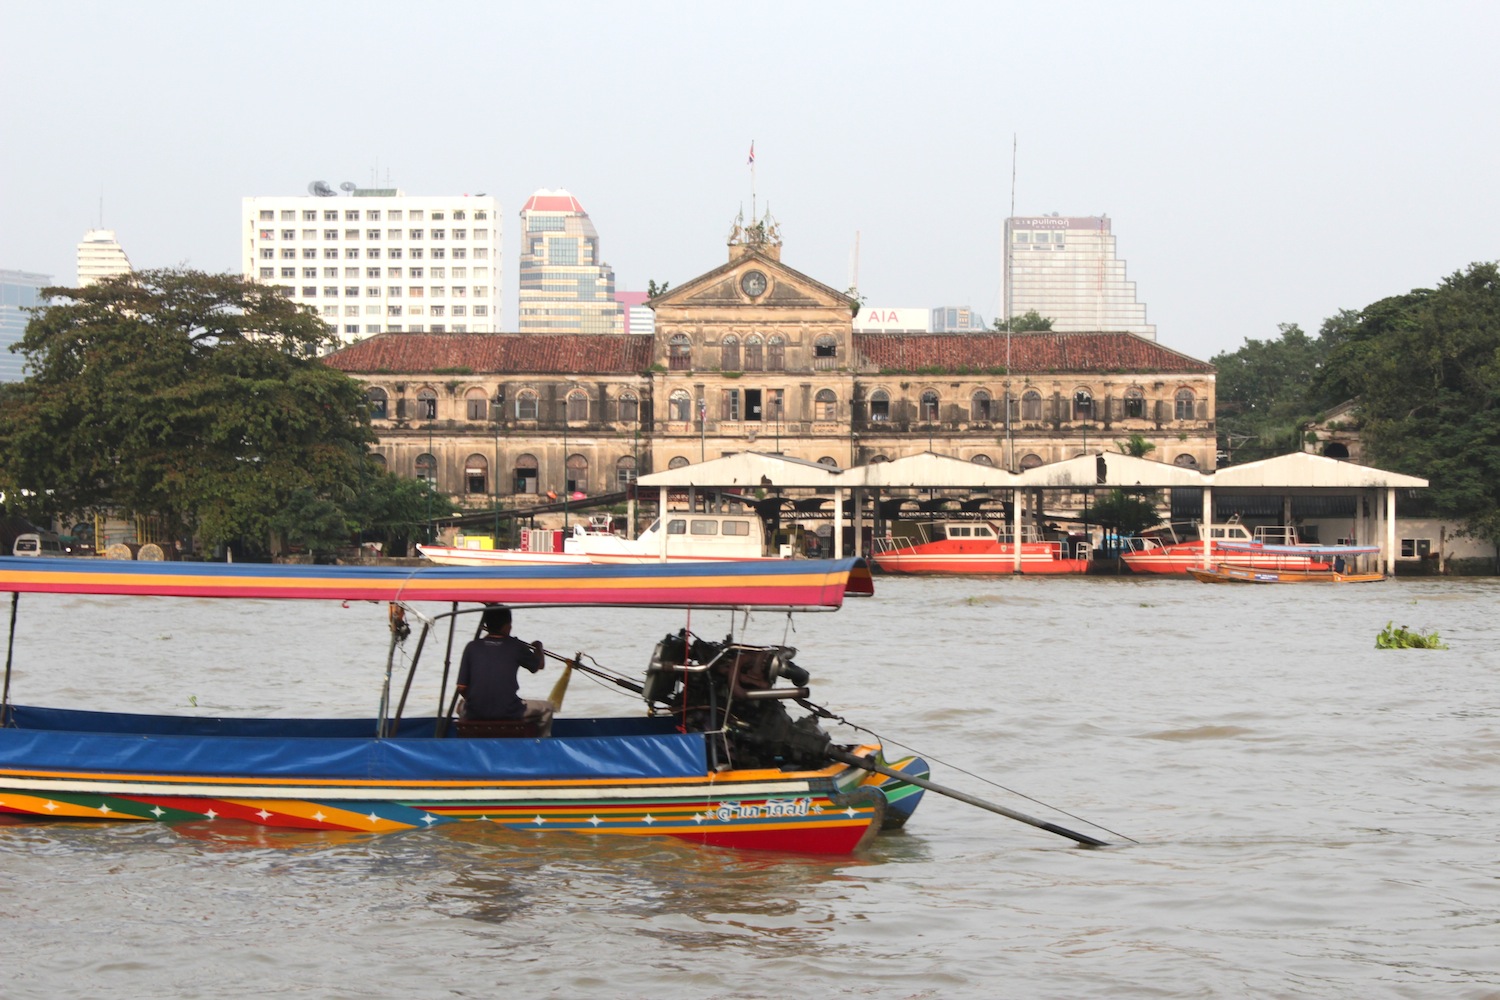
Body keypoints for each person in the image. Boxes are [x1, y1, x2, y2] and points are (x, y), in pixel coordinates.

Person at [456, 605, 553, 735]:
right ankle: (542, 743)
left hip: (475, 712)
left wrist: (479, 702)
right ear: (507, 626)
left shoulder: (471, 647)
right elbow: (538, 665)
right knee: (548, 708)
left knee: (461, 706)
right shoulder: (516, 646)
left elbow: (461, 687)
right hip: (509, 711)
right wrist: (539, 647)